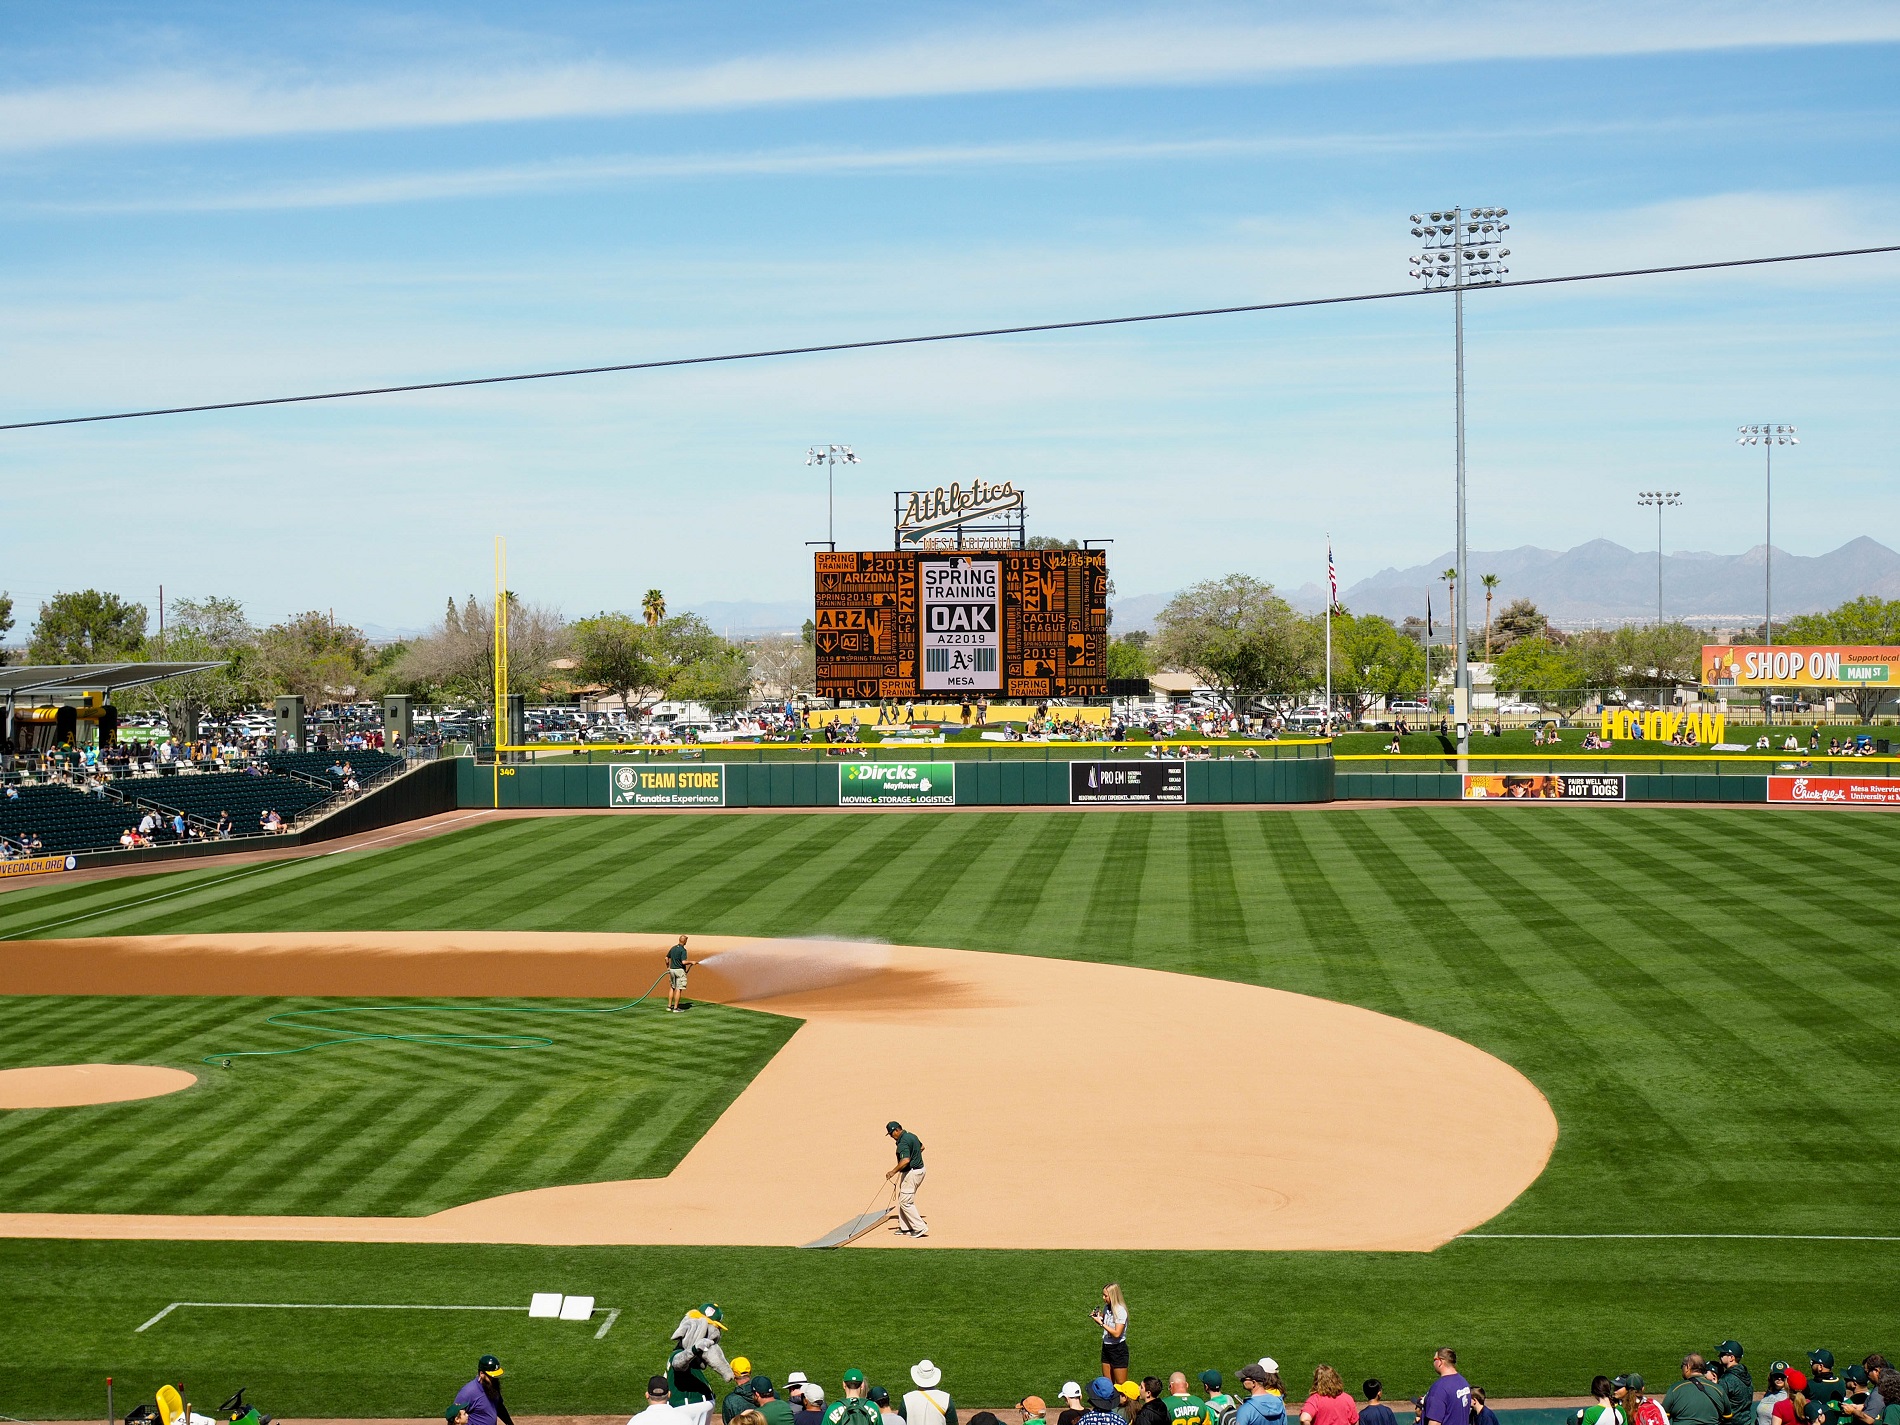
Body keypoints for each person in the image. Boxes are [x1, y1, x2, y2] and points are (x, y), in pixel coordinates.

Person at [666, 1303, 737, 1413]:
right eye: (716, 1327)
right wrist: (694, 1349)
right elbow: (678, 1363)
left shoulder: (689, 1355)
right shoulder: (680, 1353)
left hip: (689, 1404)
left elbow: (714, 1356)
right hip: (687, 1406)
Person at [885, 1120, 928, 1237]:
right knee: (903, 1197)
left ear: (897, 1130)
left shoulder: (902, 1142)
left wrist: (893, 1171)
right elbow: (922, 1147)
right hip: (917, 1171)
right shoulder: (911, 1136)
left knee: (906, 1201)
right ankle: (906, 1227)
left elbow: (905, 1160)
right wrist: (915, 1157)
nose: (891, 1136)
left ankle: (920, 1227)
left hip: (912, 1173)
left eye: (891, 1133)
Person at [1664, 1357, 1726, 1425]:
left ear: (1688, 1367)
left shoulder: (1675, 1388)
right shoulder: (1719, 1390)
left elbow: (1662, 1416)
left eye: (1682, 1366)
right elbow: (1727, 1417)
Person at [455, 1355, 514, 1425]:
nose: (494, 1379)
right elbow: (454, 1418)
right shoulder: (467, 1392)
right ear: (482, 1374)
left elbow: (499, 1407)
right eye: (491, 1376)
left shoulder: (493, 1388)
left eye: (496, 1376)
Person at [1094, 1284, 1130, 1384]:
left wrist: (1101, 1324)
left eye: (1106, 1296)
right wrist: (1098, 1316)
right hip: (1106, 1347)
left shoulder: (1120, 1311)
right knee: (1108, 1385)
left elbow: (1117, 1333)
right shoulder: (1107, 1308)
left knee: (1121, 1387)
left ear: (1113, 1296)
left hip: (1118, 1350)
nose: (1103, 1298)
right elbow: (1105, 1320)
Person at [1422, 1351, 1471, 1425]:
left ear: (1440, 1361)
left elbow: (1435, 1423)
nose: (1433, 1363)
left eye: (1434, 1359)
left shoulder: (1439, 1388)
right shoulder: (1463, 1382)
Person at [1717, 1345, 1753, 1425]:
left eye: (1722, 1354)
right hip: (1746, 1421)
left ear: (1731, 1358)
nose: (1719, 1356)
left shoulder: (1726, 1379)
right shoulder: (1746, 1375)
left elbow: (1718, 1406)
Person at [666, 935, 695, 1013]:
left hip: (672, 970)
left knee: (672, 987)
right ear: (684, 941)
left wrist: (668, 967)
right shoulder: (683, 950)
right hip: (679, 971)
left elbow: (666, 958)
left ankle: (669, 1006)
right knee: (679, 989)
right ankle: (675, 1008)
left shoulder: (673, 948)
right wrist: (691, 962)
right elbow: (683, 962)